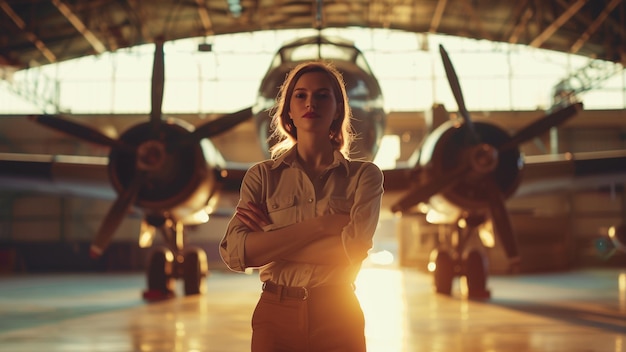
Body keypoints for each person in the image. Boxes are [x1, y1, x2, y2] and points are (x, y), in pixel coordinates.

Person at [219, 61, 384, 352]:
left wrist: (267, 238)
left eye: (322, 95)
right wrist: (321, 227)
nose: (311, 103)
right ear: (289, 112)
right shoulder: (261, 176)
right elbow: (235, 253)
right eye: (300, 95)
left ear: (337, 110)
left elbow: (351, 251)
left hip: (338, 314)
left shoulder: (365, 176)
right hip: (274, 315)